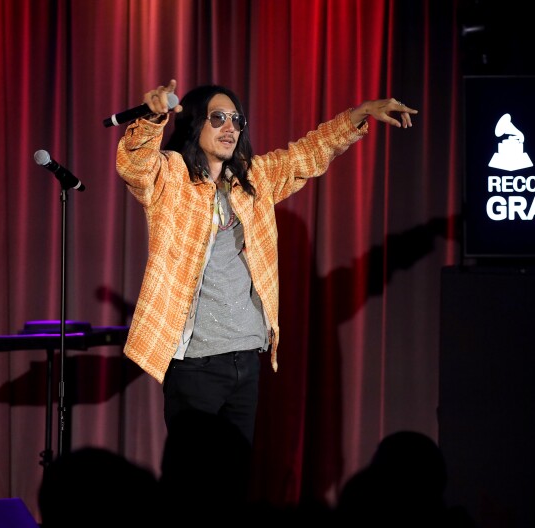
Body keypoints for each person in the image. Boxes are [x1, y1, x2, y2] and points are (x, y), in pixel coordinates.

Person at [115, 79, 417, 445]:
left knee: (234, 482)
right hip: (196, 364)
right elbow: (135, 165)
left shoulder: (251, 178)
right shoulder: (173, 176)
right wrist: (150, 119)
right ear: (195, 122)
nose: (230, 127)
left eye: (236, 120)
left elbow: (307, 153)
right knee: (194, 486)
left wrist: (362, 112)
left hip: (246, 357)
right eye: (218, 118)